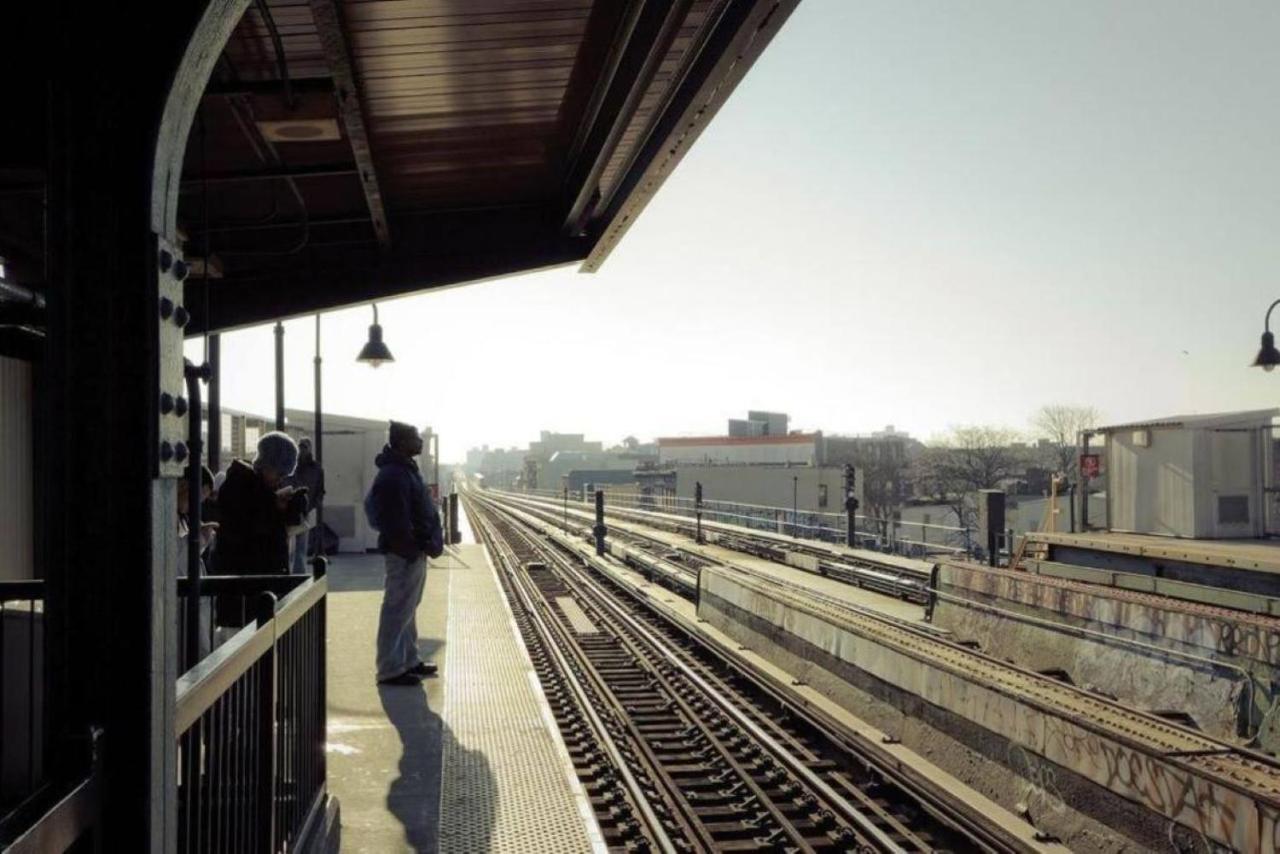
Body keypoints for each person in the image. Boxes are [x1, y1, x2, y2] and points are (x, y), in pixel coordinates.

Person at [364, 421, 444, 686]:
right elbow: (394, 519)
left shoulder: (403, 470)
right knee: (397, 609)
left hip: (412, 551)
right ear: (401, 442)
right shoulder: (394, 475)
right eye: (415, 438)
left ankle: (408, 660)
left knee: (408, 609)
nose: (420, 442)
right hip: (404, 553)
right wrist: (409, 547)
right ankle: (389, 668)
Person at [213, 432, 307, 623]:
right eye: (279, 473)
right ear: (265, 464)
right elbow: (253, 530)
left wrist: (283, 509)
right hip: (245, 596)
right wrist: (278, 509)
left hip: (255, 594)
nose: (280, 480)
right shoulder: (241, 488)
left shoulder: (253, 487)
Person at [286, 436, 325, 573]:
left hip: (305, 510)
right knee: (288, 543)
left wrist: (314, 504)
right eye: (300, 447)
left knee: (301, 545)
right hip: (289, 509)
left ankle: (299, 572)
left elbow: (320, 489)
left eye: (305, 447)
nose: (302, 450)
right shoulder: (291, 465)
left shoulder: (316, 468)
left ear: (309, 449)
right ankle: (288, 571)